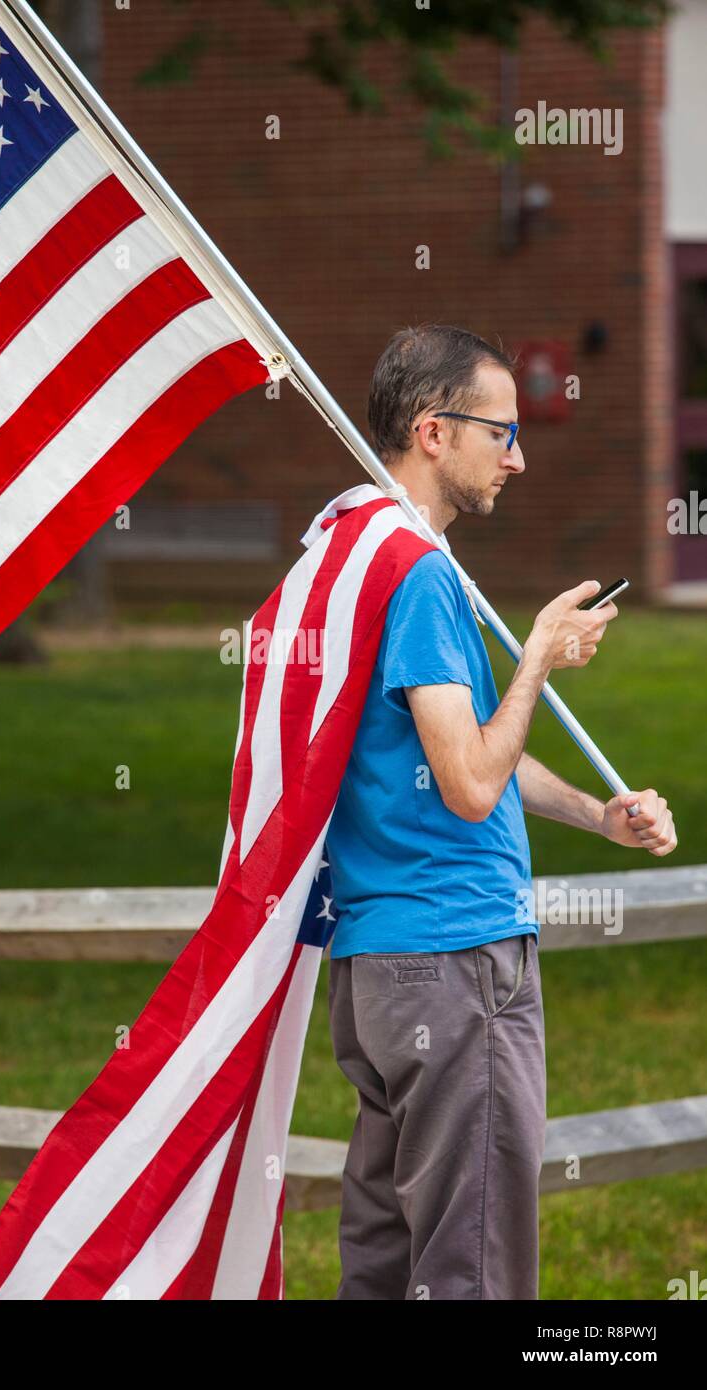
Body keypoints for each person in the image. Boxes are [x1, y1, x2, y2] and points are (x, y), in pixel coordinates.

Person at [325, 323, 677, 1301]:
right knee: (473, 1269)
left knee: (388, 1264)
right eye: (501, 432)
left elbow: (462, 755)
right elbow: (470, 783)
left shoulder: (355, 556)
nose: (516, 458)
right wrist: (534, 658)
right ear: (434, 432)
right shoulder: (419, 575)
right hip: (454, 961)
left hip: (379, 971)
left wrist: (596, 815)